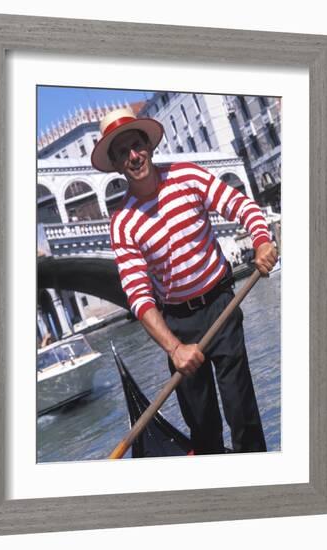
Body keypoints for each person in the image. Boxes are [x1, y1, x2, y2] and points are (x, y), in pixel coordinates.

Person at [91, 107, 277, 455]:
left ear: (148, 145)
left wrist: (262, 239)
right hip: (177, 324)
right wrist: (174, 348)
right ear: (117, 164)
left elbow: (242, 206)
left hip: (222, 305)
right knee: (203, 425)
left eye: (136, 145)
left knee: (243, 415)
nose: (133, 156)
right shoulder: (124, 223)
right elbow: (139, 296)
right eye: (122, 153)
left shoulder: (187, 176)